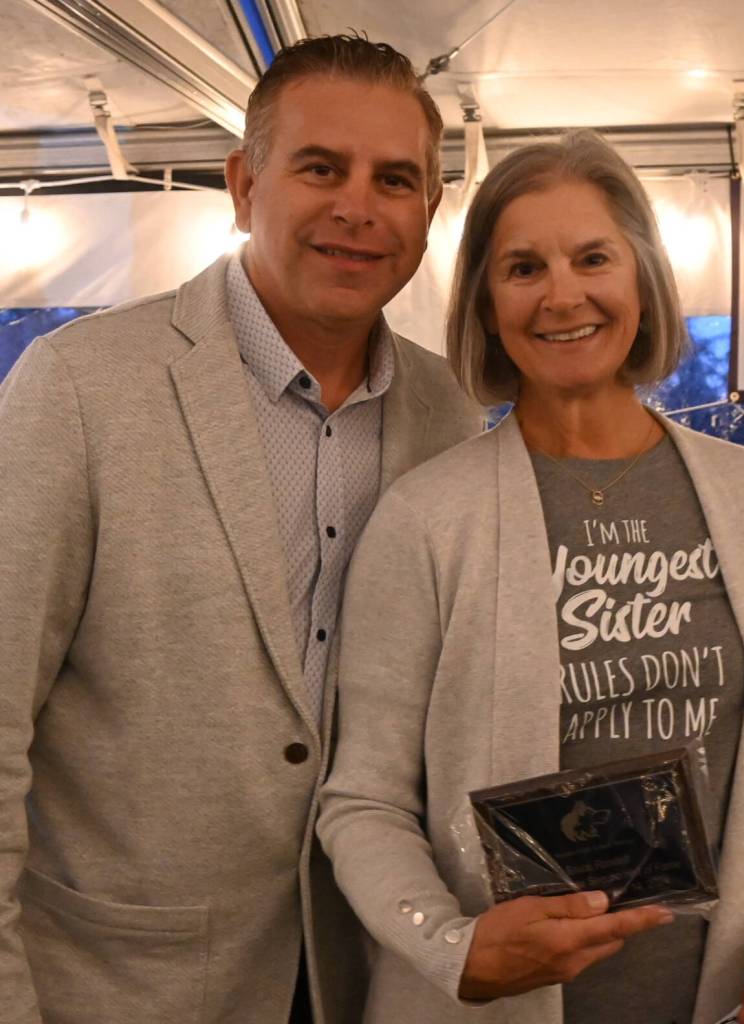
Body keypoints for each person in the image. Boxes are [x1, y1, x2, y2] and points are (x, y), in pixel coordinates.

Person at [0, 34, 481, 1024]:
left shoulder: (447, 412)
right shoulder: (81, 386)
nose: (358, 204)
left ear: (428, 215)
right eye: (320, 167)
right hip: (120, 982)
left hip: (364, 969)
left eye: (395, 179)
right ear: (243, 182)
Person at [317, 131, 744, 1024]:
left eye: (592, 257)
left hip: (728, 997)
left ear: (641, 278)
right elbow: (362, 800)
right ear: (484, 302)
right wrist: (452, 944)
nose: (563, 295)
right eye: (523, 268)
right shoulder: (425, 519)